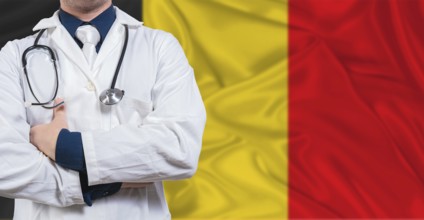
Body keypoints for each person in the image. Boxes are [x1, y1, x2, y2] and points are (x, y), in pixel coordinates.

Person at [0, 0, 206, 219]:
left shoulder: (160, 46)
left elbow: (179, 148)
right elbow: (5, 166)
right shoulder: (13, 56)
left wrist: (62, 146)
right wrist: (101, 184)